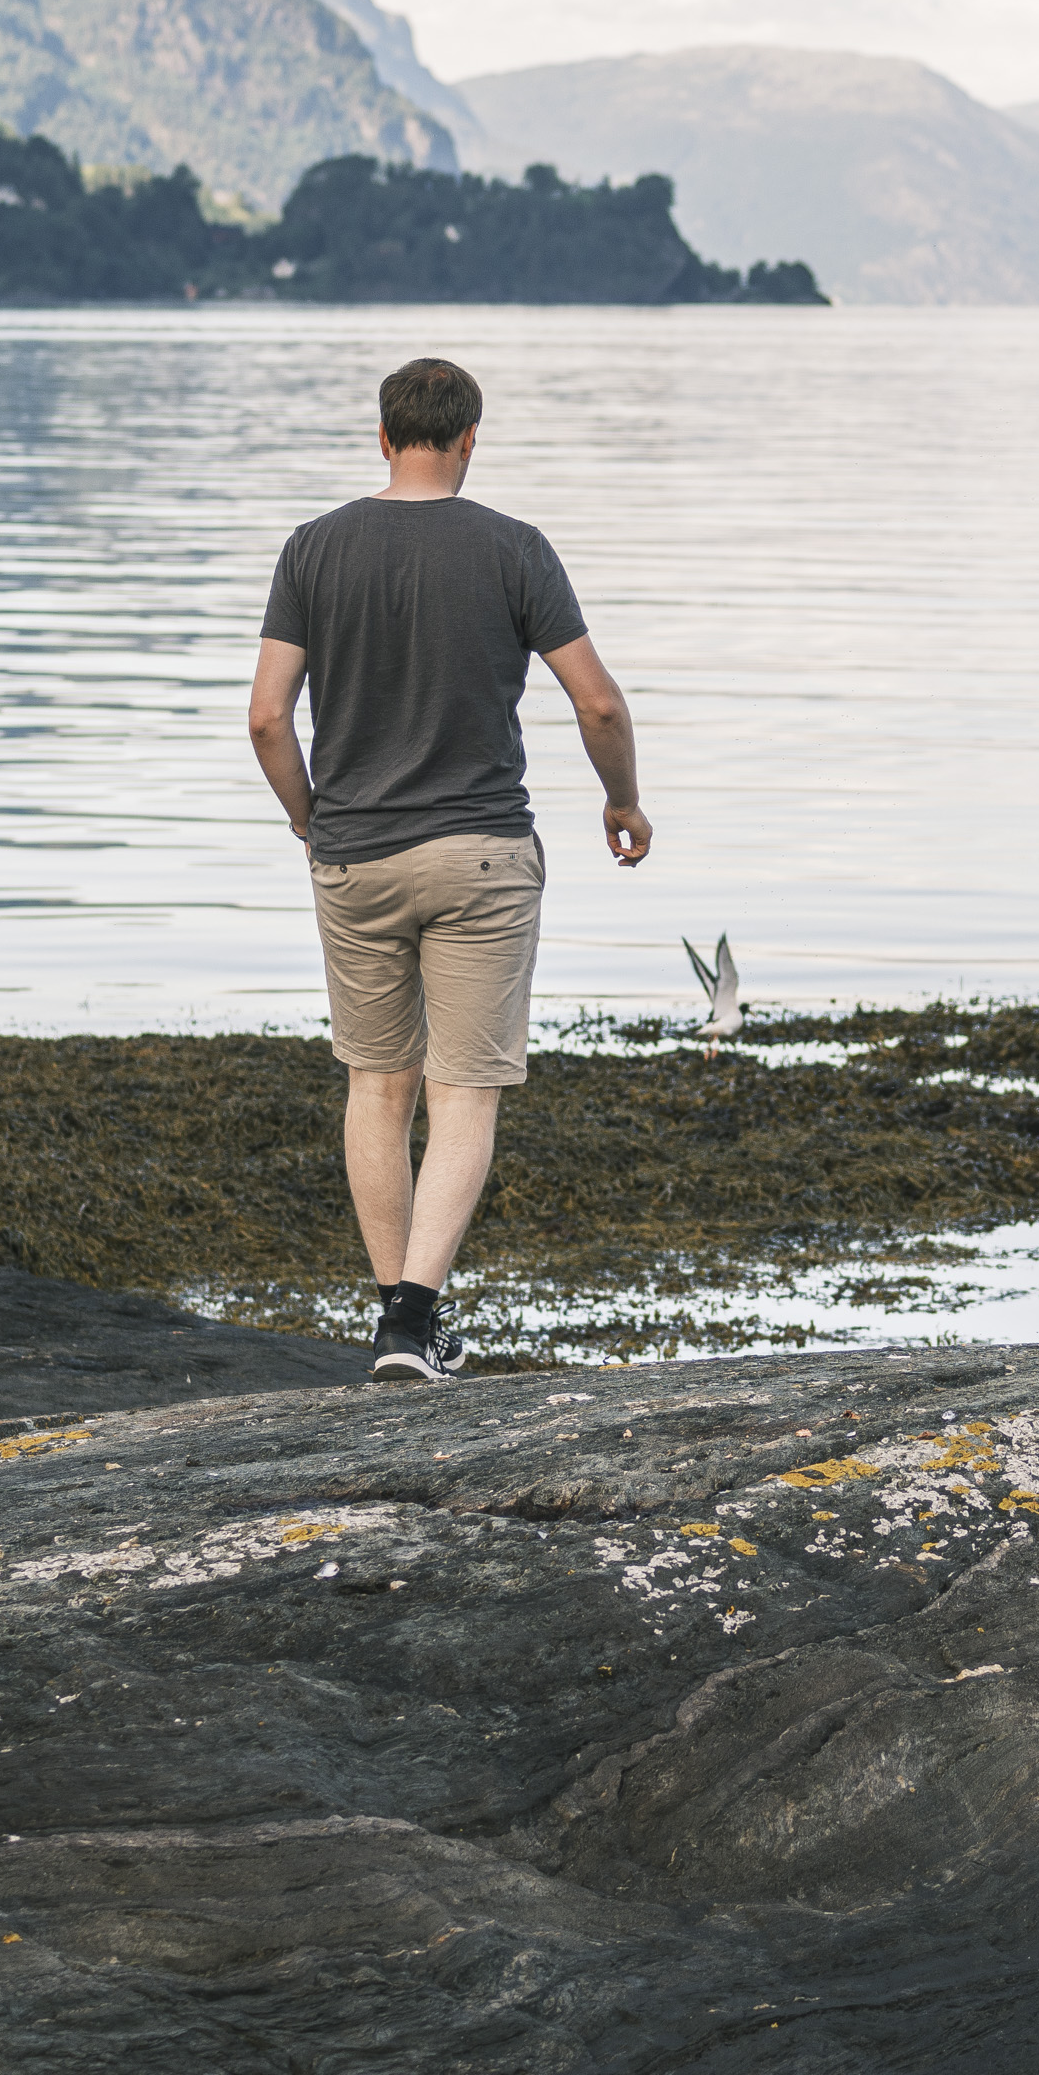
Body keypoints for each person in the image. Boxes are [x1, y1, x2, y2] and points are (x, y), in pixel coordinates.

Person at [248, 355, 646, 1382]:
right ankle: (413, 1323)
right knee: (463, 1093)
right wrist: (621, 799)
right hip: (479, 855)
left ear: (381, 437)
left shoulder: (312, 548)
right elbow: (596, 702)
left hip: (355, 857)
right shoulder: (514, 549)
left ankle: (398, 1320)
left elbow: (265, 716)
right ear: (471, 438)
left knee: (376, 1084)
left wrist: (308, 818)